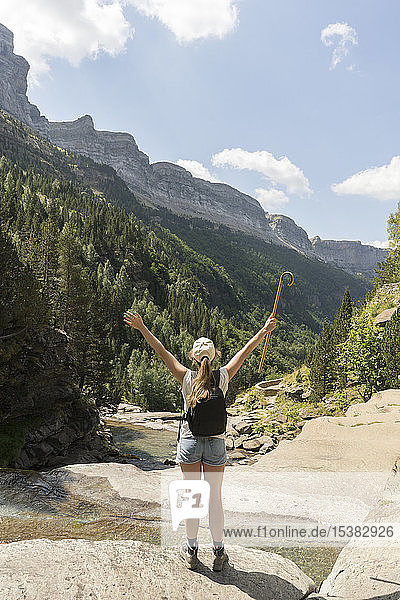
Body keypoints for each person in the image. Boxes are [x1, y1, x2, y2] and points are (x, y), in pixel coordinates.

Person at [123, 309, 277, 571]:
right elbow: (245, 351)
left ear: (193, 358)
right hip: (216, 444)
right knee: (214, 499)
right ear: (215, 356)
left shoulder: (186, 377)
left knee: (192, 497)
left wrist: (141, 327)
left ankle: (192, 550)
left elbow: (162, 351)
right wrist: (264, 331)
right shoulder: (223, 377)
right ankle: (218, 552)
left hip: (190, 441)